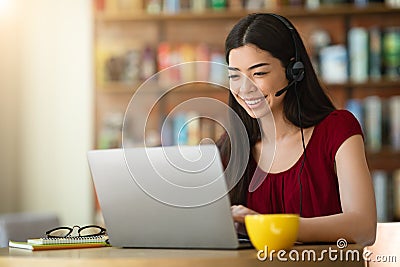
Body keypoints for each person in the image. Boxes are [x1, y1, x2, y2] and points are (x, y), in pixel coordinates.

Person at [217, 13, 377, 246]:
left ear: (294, 71)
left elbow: (363, 228)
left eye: (259, 73)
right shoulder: (230, 146)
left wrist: (271, 226)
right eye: (235, 76)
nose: (245, 88)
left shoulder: (338, 130)